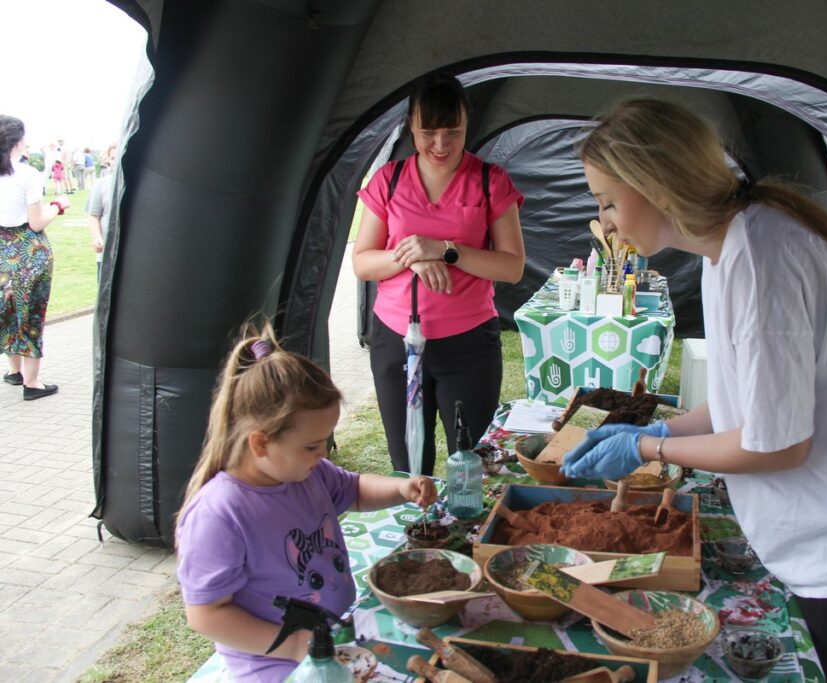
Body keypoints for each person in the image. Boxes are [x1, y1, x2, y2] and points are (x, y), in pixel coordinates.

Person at [562, 98, 827, 683]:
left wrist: (652, 450)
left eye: (607, 202)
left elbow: (777, 444)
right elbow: (746, 403)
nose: (608, 222)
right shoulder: (726, 247)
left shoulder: (762, 256)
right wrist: (659, 428)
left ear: (654, 184)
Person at [175, 324, 438, 683]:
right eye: (312, 446)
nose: (321, 454)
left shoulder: (305, 473)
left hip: (334, 639)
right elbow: (205, 614)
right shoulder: (219, 513)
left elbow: (355, 489)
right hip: (277, 665)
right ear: (261, 443)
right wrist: (293, 644)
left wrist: (401, 488)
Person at [352, 73, 525, 474]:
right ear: (410, 124)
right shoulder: (388, 180)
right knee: (409, 466)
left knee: (469, 465)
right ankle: (421, 533)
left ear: (467, 123)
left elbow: (512, 266)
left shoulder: (489, 181)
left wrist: (447, 250)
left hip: (468, 348)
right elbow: (363, 261)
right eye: (428, 132)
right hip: (396, 343)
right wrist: (412, 254)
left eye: (454, 131)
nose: (441, 144)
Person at [0, 114, 63, 400]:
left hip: (2, 249)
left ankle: (14, 371)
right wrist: (58, 206)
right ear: (18, 140)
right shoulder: (27, 174)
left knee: (8, 311)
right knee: (31, 313)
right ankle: (32, 382)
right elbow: (36, 222)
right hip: (28, 251)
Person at [86, 145, 116, 279]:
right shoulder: (101, 185)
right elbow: (93, 215)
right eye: (113, 157)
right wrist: (97, 237)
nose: (116, 160)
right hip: (106, 255)